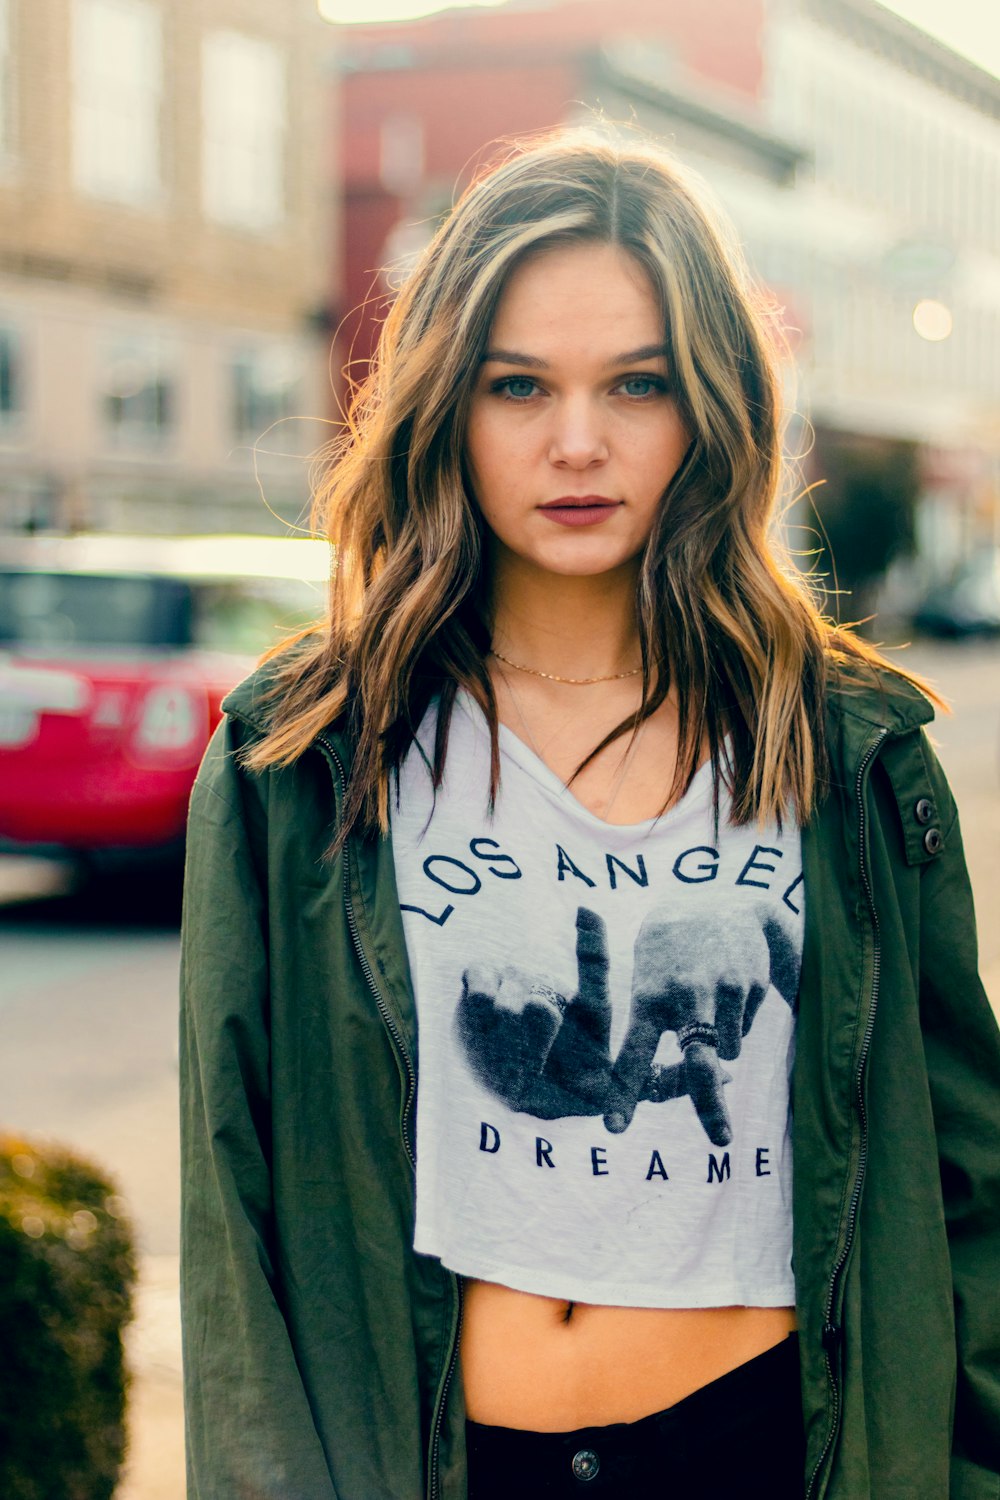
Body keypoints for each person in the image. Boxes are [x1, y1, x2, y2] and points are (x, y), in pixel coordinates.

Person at [179, 133, 1000, 1499]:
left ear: (712, 405)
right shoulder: (311, 747)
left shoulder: (846, 746)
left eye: (638, 382)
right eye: (518, 386)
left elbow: (968, 1187)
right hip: (444, 1460)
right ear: (448, 402)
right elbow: (235, 1204)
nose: (578, 441)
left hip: (765, 1448)